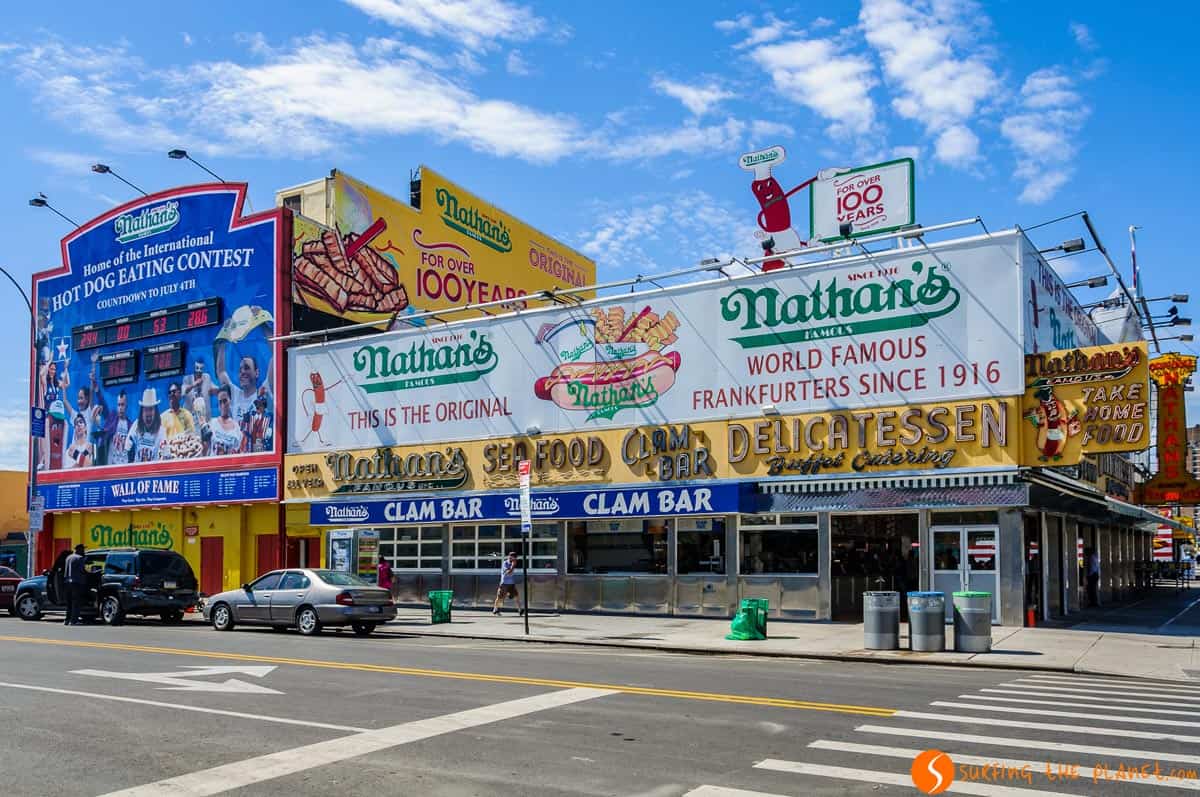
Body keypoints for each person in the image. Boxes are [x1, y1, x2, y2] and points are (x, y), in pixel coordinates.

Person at [126, 388, 165, 462]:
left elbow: (164, 455)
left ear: (155, 411)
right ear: (142, 411)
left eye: (151, 409)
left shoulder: (161, 431)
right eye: (146, 409)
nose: (148, 413)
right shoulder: (136, 425)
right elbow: (127, 448)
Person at [207, 386, 245, 455]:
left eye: (225, 401)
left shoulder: (237, 428)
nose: (222, 405)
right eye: (220, 402)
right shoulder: (212, 423)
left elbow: (240, 452)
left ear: (230, 400)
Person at [64, 543, 87, 626]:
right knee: (76, 603)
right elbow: (82, 571)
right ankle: (74, 621)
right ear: (79, 549)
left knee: (69, 603)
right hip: (76, 583)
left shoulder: (68, 557)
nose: (84, 551)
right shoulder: (80, 558)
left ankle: (67, 620)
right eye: (83, 549)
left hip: (67, 582)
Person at [492, 551, 522, 616]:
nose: (514, 559)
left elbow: (511, 572)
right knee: (500, 597)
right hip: (504, 583)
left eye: (515, 558)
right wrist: (513, 566)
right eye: (514, 558)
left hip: (511, 583)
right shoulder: (505, 563)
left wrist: (513, 565)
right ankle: (495, 609)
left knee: (516, 596)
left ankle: (520, 610)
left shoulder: (513, 563)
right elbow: (508, 572)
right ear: (510, 557)